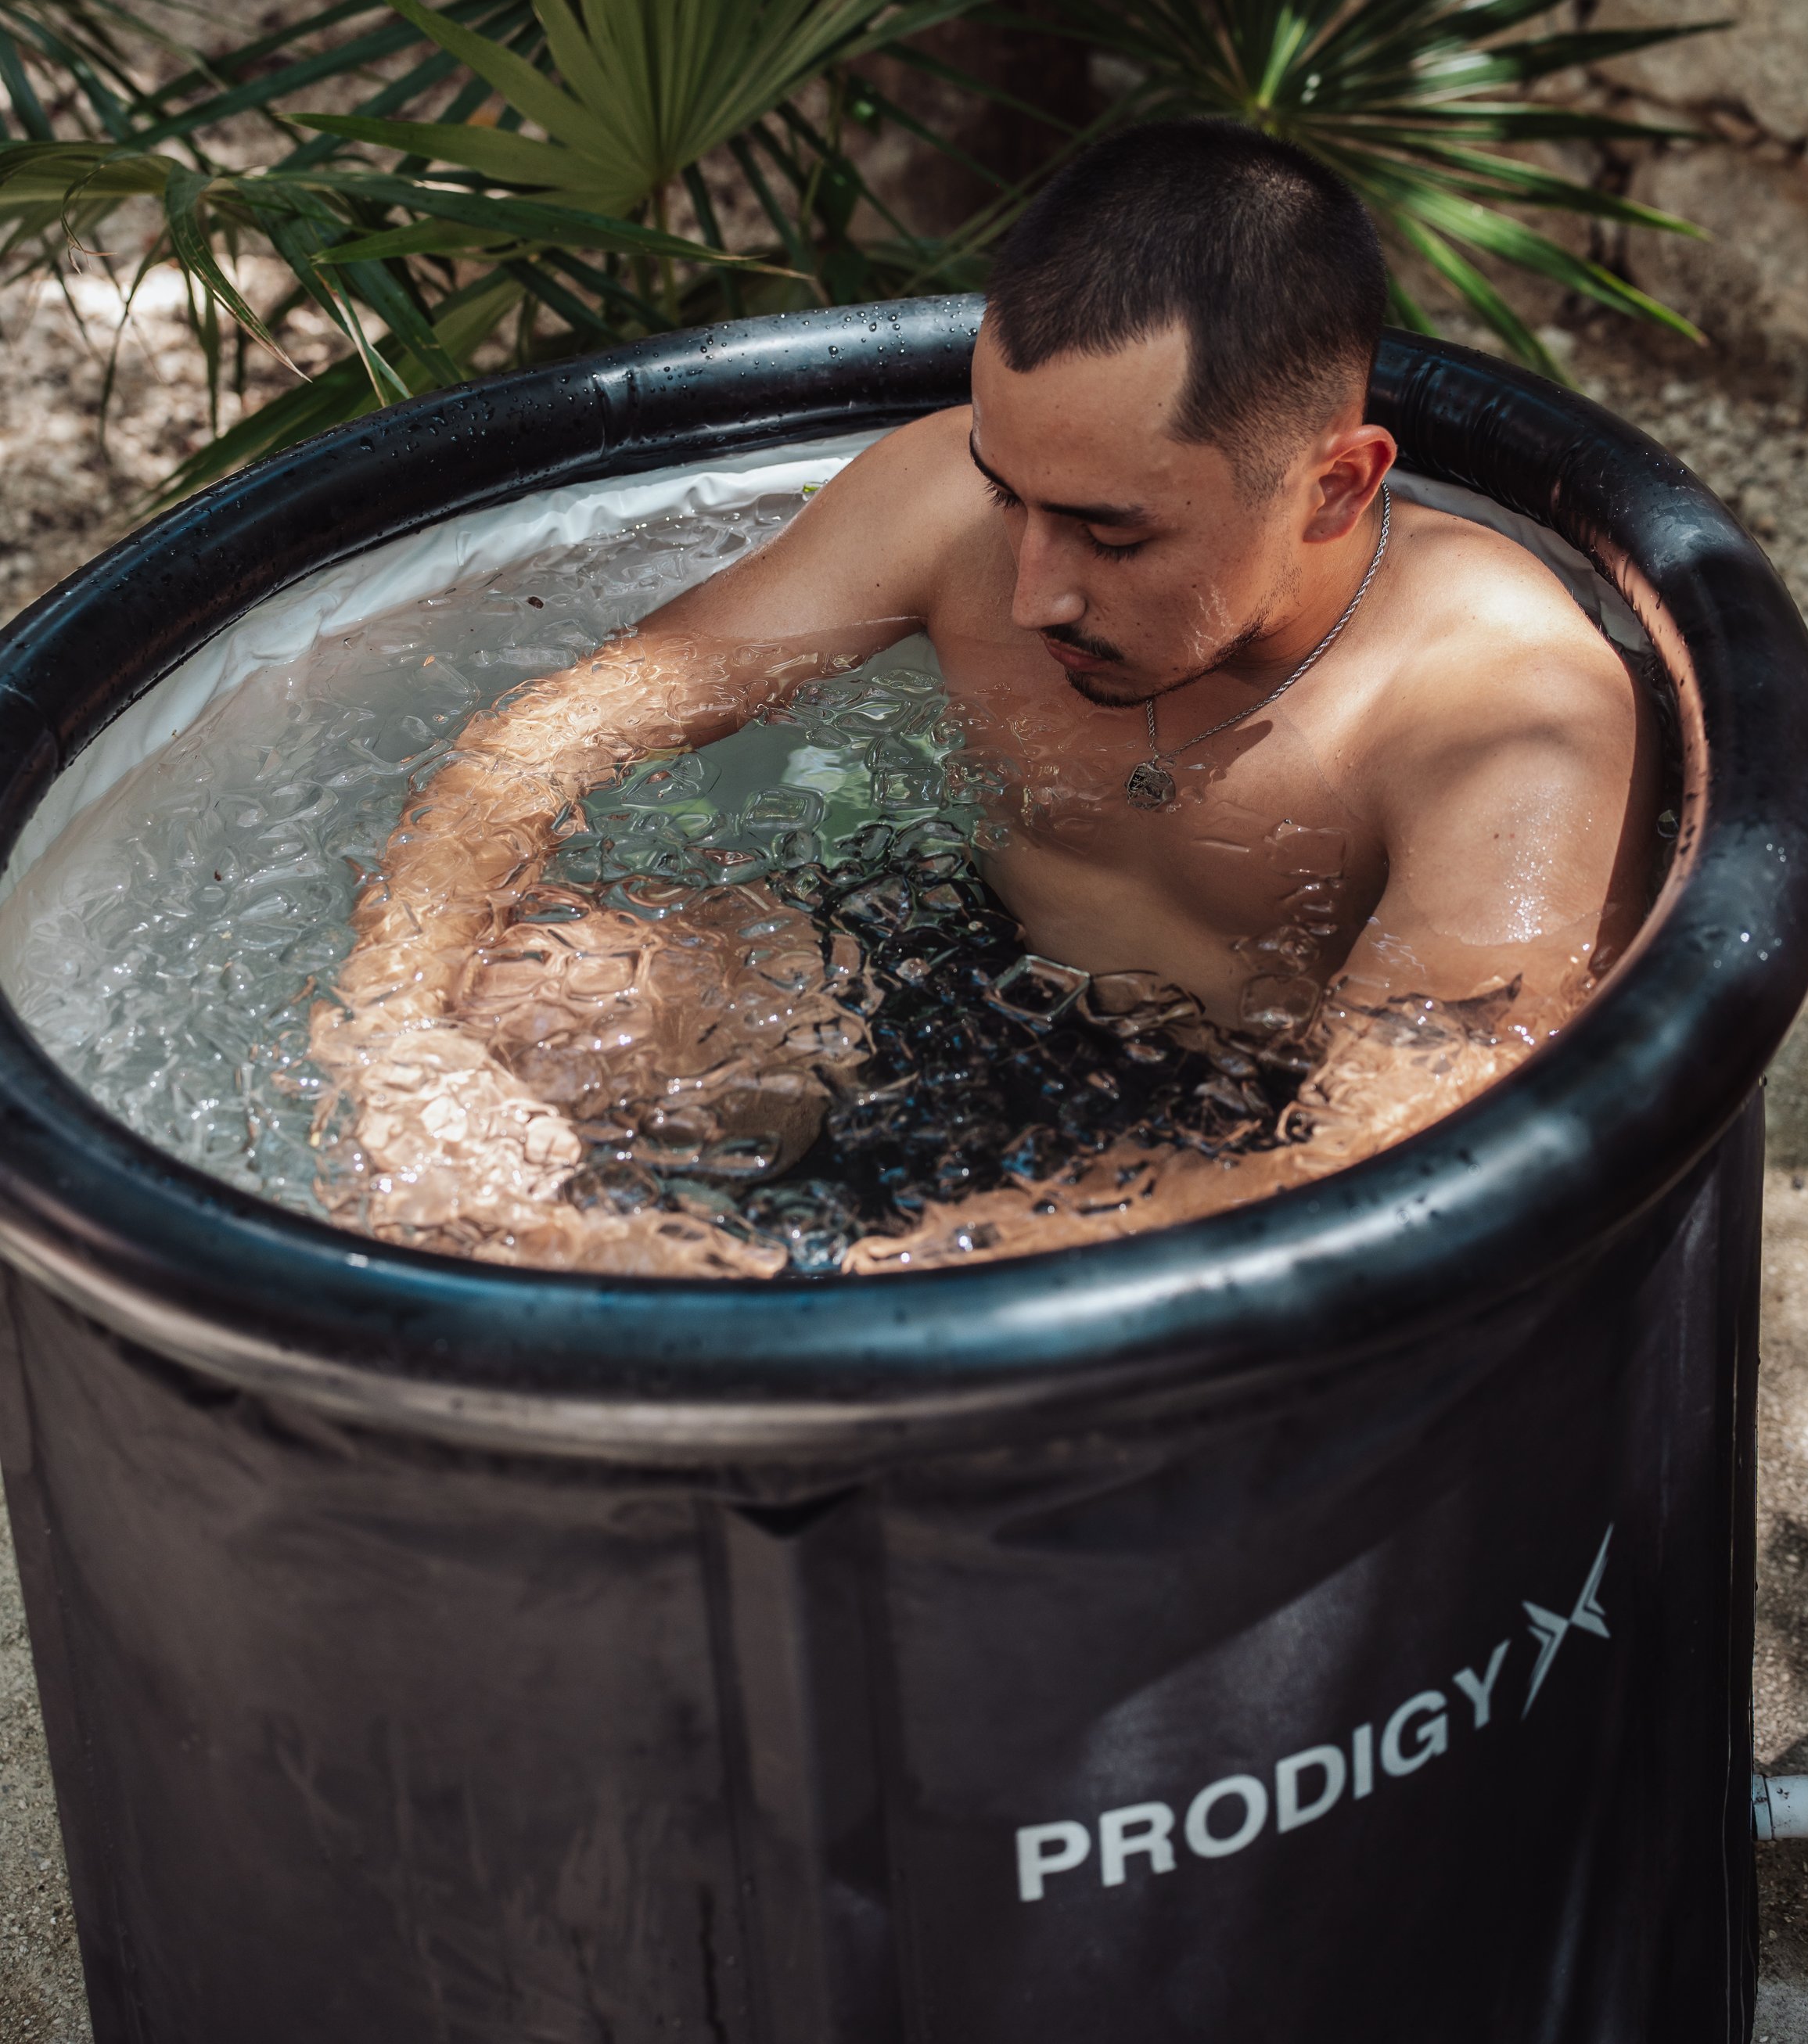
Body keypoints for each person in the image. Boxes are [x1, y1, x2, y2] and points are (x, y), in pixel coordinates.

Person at [314, 122, 1659, 1270]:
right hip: (958, 977)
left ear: (1337, 485)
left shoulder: (1506, 716)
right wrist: (391, 1038)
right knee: (515, 1008)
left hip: (1246, 1131)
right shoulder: (949, 511)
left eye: (1111, 535)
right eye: (1008, 492)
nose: (1031, 592)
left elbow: (1388, 1173)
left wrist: (832, 1284)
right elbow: (556, 733)